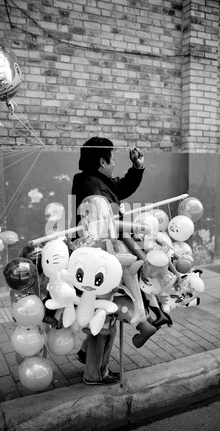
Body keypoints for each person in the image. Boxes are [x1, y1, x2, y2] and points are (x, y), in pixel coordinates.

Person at [70, 136, 145, 385]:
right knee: (106, 319)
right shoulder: (90, 186)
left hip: (104, 255)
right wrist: (134, 225)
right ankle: (95, 373)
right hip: (98, 260)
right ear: (103, 160)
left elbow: (121, 188)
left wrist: (137, 167)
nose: (114, 165)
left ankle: (87, 354)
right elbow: (103, 225)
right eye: (113, 160)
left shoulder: (97, 181)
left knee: (105, 315)